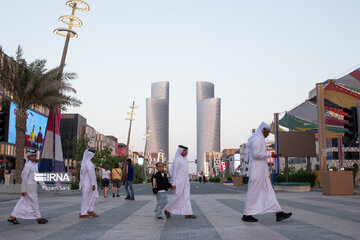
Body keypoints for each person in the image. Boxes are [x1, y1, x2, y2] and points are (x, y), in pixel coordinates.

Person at [242, 122, 292, 223]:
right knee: (253, 193)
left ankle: (279, 213)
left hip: (262, 172)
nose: (268, 134)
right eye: (267, 132)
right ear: (263, 130)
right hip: (256, 172)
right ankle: (246, 214)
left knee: (269, 192)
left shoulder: (259, 138)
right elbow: (256, 155)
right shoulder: (256, 139)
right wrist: (270, 155)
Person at [8, 149, 48, 224]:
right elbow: (24, 178)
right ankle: (38, 218)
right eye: (31, 156)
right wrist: (23, 189)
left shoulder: (35, 165)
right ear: (28, 157)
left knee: (22, 202)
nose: (33, 157)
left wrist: (44, 186)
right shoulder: (28, 166)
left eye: (35, 156)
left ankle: (12, 216)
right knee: (34, 202)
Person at [164, 145, 196, 219]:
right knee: (177, 196)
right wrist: (173, 183)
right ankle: (167, 209)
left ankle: (188, 213)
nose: (185, 152)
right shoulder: (177, 160)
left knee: (186, 197)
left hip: (186, 181)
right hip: (178, 181)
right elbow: (175, 172)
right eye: (184, 150)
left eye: (186, 151)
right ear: (180, 151)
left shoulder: (186, 160)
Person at [79, 149, 99, 218]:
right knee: (86, 198)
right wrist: (93, 184)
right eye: (93, 156)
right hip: (88, 184)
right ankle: (83, 213)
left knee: (92, 197)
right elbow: (91, 174)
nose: (93, 157)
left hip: (88, 183)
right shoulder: (88, 163)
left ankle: (90, 210)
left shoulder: (86, 163)